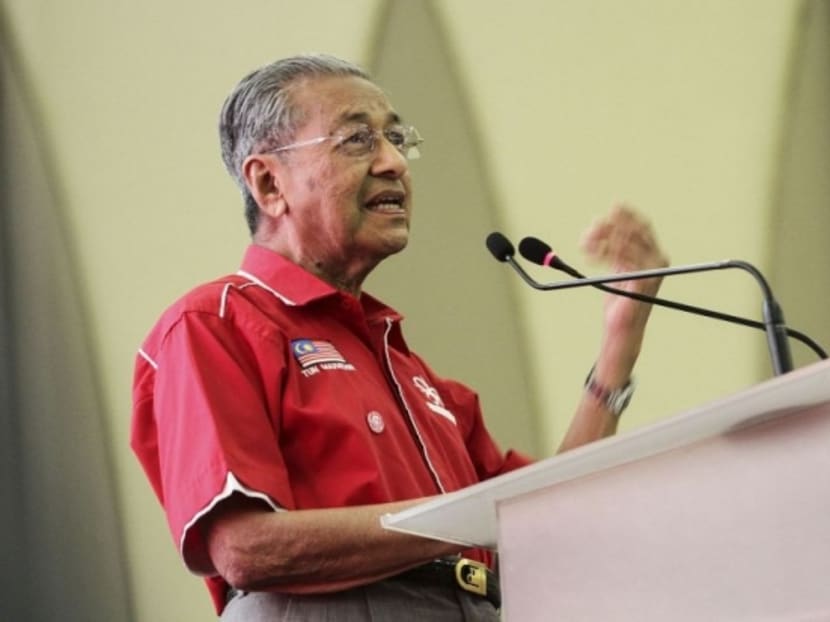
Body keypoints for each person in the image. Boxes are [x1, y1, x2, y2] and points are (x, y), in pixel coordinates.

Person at [130, 53, 668, 621]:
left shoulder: (412, 374)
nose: (393, 163)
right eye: (358, 140)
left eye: (395, 138)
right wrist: (457, 519)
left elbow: (548, 515)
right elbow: (243, 548)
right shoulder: (213, 324)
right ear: (269, 183)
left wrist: (621, 337)